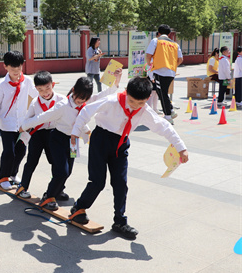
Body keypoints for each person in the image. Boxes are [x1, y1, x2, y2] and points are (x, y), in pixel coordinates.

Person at [69, 76, 189, 240]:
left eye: (140, 103)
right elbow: (86, 110)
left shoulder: (144, 109)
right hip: (101, 141)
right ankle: (79, 207)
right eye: (132, 101)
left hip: (121, 144)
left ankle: (120, 221)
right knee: (97, 182)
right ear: (126, 93)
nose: (135, 106)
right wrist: (76, 132)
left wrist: (181, 147)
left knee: (121, 184)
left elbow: (163, 126)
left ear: (147, 99)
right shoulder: (112, 101)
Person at [19, 70, 122, 210]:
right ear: (73, 90)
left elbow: (102, 96)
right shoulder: (62, 105)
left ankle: (58, 190)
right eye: (79, 97)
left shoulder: (86, 101)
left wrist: (116, 83)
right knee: (61, 171)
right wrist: (24, 126)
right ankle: (48, 196)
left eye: (85, 99)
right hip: (58, 139)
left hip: (73, 142)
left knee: (69, 170)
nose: (81, 101)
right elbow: (42, 117)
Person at [0, 51, 38, 190]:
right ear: (5, 67)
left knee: (21, 151)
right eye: (12, 69)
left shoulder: (27, 81)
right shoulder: (1, 85)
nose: (16, 72)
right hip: (7, 124)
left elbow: (36, 96)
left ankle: (13, 174)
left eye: (19, 69)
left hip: (23, 124)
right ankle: (3, 177)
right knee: (9, 152)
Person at [15, 71, 65, 199]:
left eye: (47, 88)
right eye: (40, 89)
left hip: (54, 134)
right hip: (37, 134)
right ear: (36, 89)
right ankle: (23, 187)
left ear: (53, 84)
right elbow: (26, 121)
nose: (45, 92)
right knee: (32, 161)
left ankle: (57, 189)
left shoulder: (61, 100)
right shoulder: (35, 103)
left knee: (56, 162)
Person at [145, 24, 183, 125]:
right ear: (169, 34)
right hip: (171, 72)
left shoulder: (156, 41)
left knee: (162, 93)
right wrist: (173, 67)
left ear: (159, 33)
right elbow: (180, 59)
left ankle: (168, 116)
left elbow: (148, 55)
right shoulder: (175, 44)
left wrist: (149, 65)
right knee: (162, 92)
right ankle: (170, 111)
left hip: (159, 71)